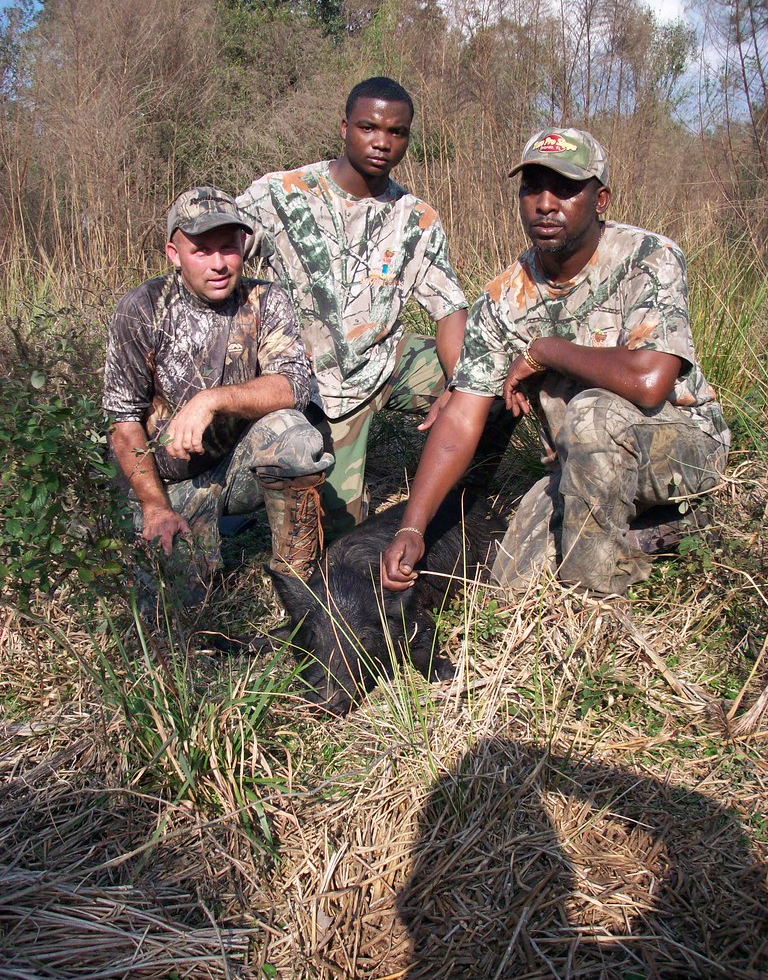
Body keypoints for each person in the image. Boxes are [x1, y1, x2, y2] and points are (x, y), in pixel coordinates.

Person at [382, 128, 730, 597]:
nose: (545, 204)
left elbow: (649, 381)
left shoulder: (649, 258)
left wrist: (544, 351)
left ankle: (594, 608)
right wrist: (412, 528)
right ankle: (653, 535)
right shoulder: (505, 296)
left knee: (592, 415)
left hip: (682, 448)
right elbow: (462, 416)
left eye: (565, 189)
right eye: (532, 188)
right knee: (509, 587)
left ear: (600, 199)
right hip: (579, 464)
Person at [237, 76, 510, 538]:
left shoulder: (415, 217)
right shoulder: (278, 195)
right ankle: (247, 492)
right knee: (335, 537)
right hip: (308, 382)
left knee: (495, 384)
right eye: (369, 127)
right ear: (344, 127)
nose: (382, 142)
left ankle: (464, 497)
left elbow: (448, 308)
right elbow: (216, 258)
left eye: (397, 132)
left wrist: (462, 386)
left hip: (386, 360)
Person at [104, 186, 333, 617]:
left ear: (244, 246)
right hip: (167, 483)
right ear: (173, 253)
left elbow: (293, 386)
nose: (218, 264)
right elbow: (122, 421)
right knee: (172, 618)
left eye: (228, 248)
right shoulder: (142, 309)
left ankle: (298, 584)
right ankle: (181, 537)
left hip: (237, 468)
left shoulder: (266, 299)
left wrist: (211, 400)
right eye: (201, 250)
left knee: (296, 435)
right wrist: (155, 507)